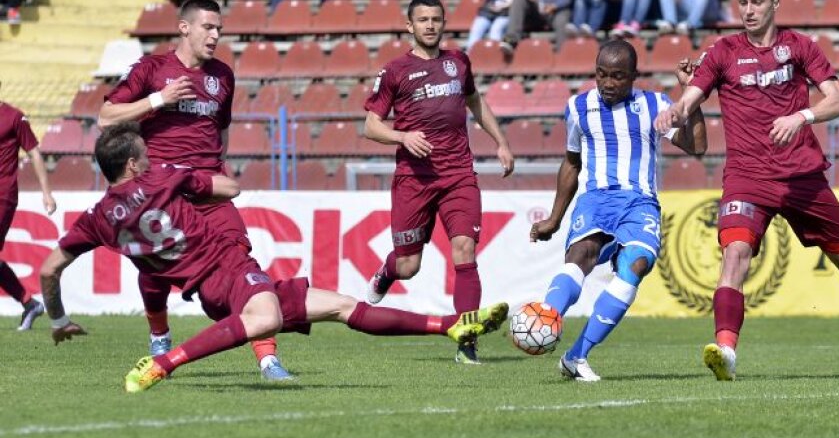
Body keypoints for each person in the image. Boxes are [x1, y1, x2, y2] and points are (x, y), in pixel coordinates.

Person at [39, 123, 509, 392]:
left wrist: (58, 319)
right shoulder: (163, 177)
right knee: (263, 319)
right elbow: (231, 188)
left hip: (212, 288)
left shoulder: (97, 217)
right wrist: (189, 180)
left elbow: (49, 268)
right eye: (146, 154)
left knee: (342, 306)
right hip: (226, 268)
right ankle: (164, 363)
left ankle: (450, 325)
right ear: (135, 163)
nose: (150, 157)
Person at [654, 0, 839, 380]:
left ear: (775, 4)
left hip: (802, 177)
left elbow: (838, 100)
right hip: (747, 176)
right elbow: (691, 95)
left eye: (757, 2)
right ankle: (726, 352)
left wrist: (801, 116)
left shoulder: (799, 47)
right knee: (735, 256)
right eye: (742, 3)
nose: (749, 10)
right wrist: (676, 109)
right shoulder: (723, 52)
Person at [98, 0, 293, 381]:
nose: (216, 34)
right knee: (154, 274)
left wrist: (215, 172)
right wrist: (158, 99)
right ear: (184, 27)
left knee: (239, 263)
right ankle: (159, 338)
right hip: (163, 194)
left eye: (219, 28)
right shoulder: (152, 70)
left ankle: (268, 358)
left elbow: (220, 132)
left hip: (208, 191)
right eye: (208, 26)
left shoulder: (222, 75)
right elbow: (106, 117)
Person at [529, 40, 704, 381]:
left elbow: (697, 146)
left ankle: (576, 357)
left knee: (636, 264)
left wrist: (689, 97)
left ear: (633, 77)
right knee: (580, 255)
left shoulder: (655, 104)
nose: (608, 83)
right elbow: (571, 163)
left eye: (618, 77)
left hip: (639, 202)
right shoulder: (578, 107)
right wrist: (554, 218)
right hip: (595, 199)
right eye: (602, 75)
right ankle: (546, 318)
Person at [361, 0, 515, 365]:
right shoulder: (395, 70)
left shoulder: (458, 62)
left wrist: (501, 142)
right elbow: (370, 126)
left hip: (459, 174)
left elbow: (475, 102)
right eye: (423, 20)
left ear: (443, 24)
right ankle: (387, 272)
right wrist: (402, 137)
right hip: (414, 180)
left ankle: (467, 340)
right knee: (409, 266)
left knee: (464, 249)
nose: (430, 25)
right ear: (409, 26)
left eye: (436, 19)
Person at [0, 88, 55, 330]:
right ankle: (29, 304)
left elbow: (33, 152)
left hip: (3, 195)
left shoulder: (14, 117)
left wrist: (46, 192)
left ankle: (29, 304)